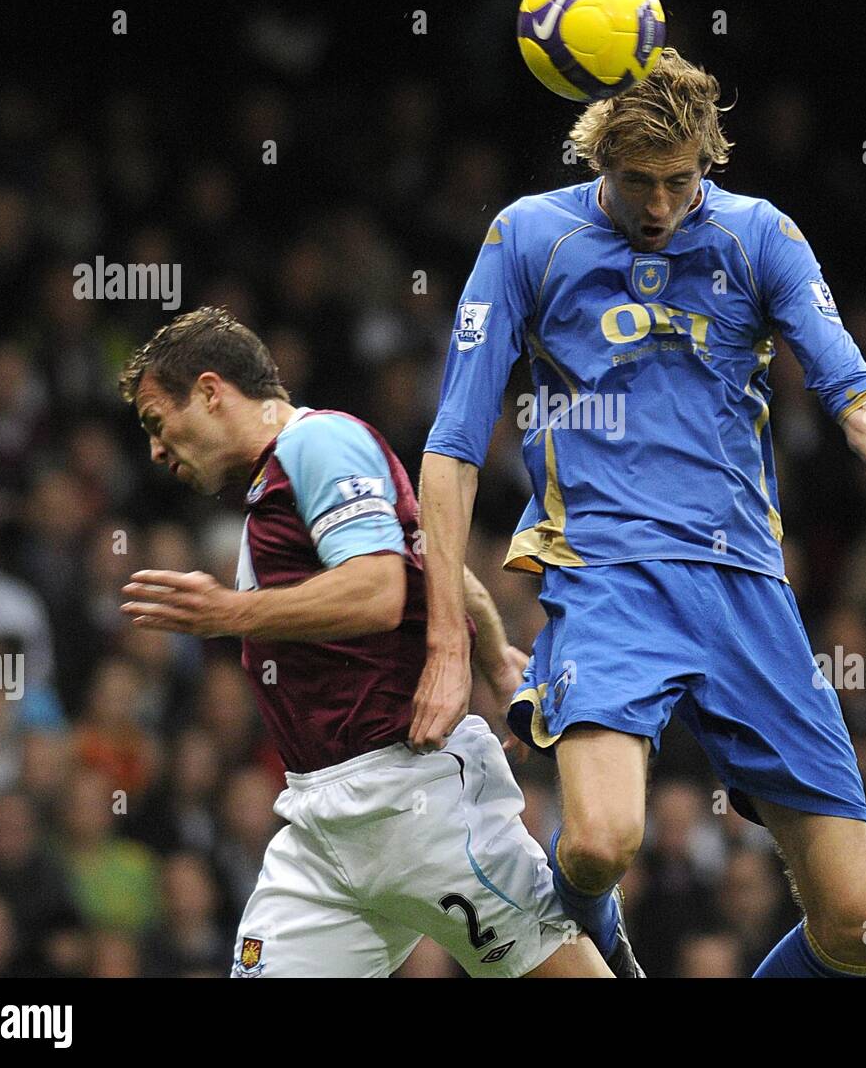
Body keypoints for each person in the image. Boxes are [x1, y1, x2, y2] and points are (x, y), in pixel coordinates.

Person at [415, 48, 866, 978]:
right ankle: (580, 945)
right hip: (608, 575)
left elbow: (861, 401)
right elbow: (452, 446)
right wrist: (447, 635)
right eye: (634, 180)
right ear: (597, 155)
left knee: (861, 924)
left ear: (709, 161)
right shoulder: (528, 238)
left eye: (677, 182)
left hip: (745, 589)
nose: (655, 205)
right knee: (600, 843)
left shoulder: (759, 237)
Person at [117, 307, 608, 978]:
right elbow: (424, 549)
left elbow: (378, 591)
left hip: (415, 798)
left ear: (209, 391)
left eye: (156, 422)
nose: (155, 448)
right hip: (322, 826)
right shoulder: (282, 479)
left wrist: (230, 612)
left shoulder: (317, 445)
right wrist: (493, 653)